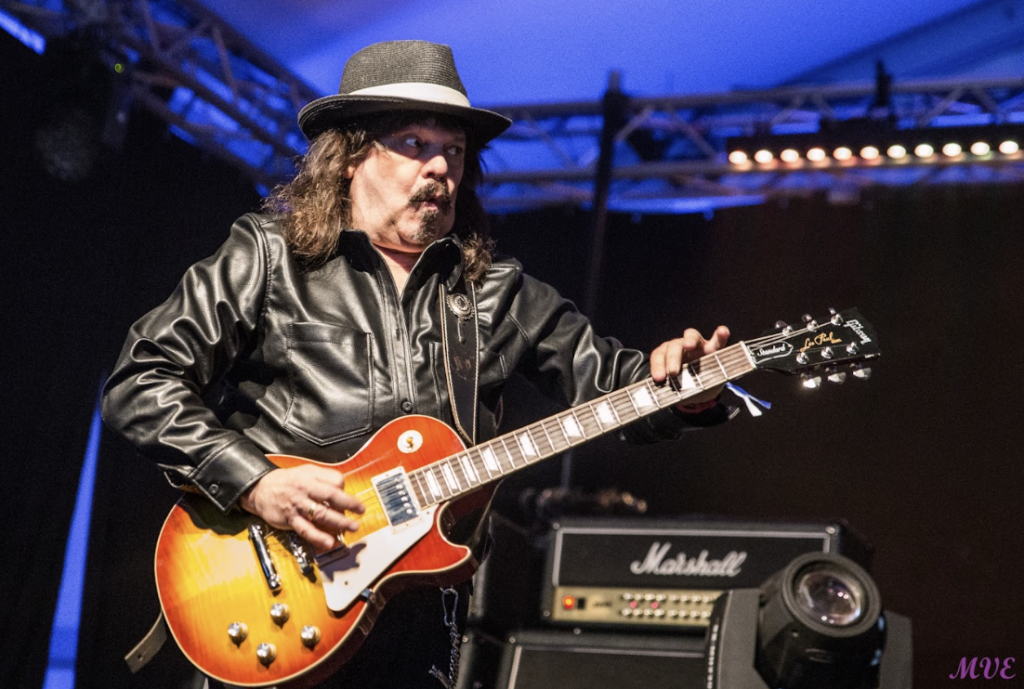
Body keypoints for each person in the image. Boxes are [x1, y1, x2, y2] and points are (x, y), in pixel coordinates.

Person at [102, 40, 732, 688]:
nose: (439, 167)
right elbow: (141, 380)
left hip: (421, 620)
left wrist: (686, 387)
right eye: (413, 144)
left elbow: (614, 381)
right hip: (277, 594)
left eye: (453, 151)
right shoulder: (270, 257)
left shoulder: (496, 292)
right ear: (350, 157)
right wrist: (255, 482)